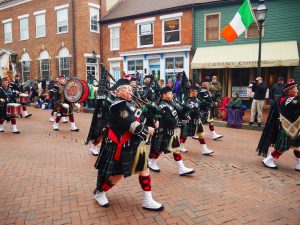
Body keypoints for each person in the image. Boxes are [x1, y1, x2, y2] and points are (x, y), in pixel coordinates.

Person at [93, 79, 163, 211]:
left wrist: (151, 119)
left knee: (144, 170)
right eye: (126, 88)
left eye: (129, 88)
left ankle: (148, 200)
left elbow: (139, 118)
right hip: (122, 145)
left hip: (135, 144)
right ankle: (99, 192)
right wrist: (148, 129)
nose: (130, 90)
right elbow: (133, 126)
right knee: (117, 176)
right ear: (118, 92)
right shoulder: (118, 107)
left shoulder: (130, 103)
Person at [148, 86, 195, 175]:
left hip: (170, 131)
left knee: (175, 149)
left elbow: (179, 113)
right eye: (169, 93)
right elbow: (168, 120)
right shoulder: (162, 106)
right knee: (159, 150)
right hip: (163, 131)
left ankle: (182, 168)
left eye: (171, 93)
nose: (172, 94)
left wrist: (185, 110)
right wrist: (181, 122)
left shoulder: (171, 103)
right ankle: (152, 163)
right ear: (164, 95)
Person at [258, 79, 300, 171]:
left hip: (296, 128)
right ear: (289, 91)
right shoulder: (287, 100)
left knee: (297, 146)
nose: (297, 90)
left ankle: (299, 164)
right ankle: (268, 160)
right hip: (288, 128)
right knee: (282, 147)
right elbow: (296, 104)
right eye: (295, 89)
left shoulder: (289, 99)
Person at [180, 85, 214, 155]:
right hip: (189, 119)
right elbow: (187, 109)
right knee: (184, 135)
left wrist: (207, 104)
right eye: (194, 91)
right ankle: (180, 146)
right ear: (191, 91)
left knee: (200, 134)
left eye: (196, 91)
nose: (195, 92)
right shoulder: (186, 100)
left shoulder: (197, 99)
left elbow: (201, 105)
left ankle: (204, 150)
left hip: (197, 119)